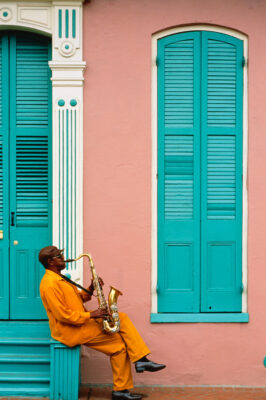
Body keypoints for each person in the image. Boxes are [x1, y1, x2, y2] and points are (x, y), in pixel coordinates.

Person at [39, 246, 166, 400]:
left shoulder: (61, 278)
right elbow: (63, 315)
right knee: (119, 343)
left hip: (81, 324)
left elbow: (80, 298)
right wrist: (92, 314)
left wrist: (92, 287)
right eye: (59, 256)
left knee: (121, 325)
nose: (63, 258)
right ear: (50, 262)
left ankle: (130, 377)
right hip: (71, 330)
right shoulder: (49, 284)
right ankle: (137, 365)